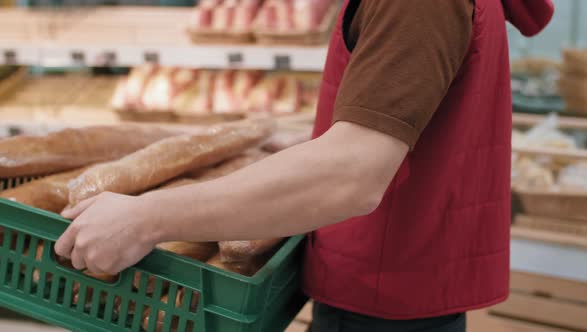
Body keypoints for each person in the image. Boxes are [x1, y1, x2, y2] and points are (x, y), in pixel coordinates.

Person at [55, 1, 554, 331]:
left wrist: (146, 218)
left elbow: (353, 176)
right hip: (401, 278)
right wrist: (315, 144)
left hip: (383, 301)